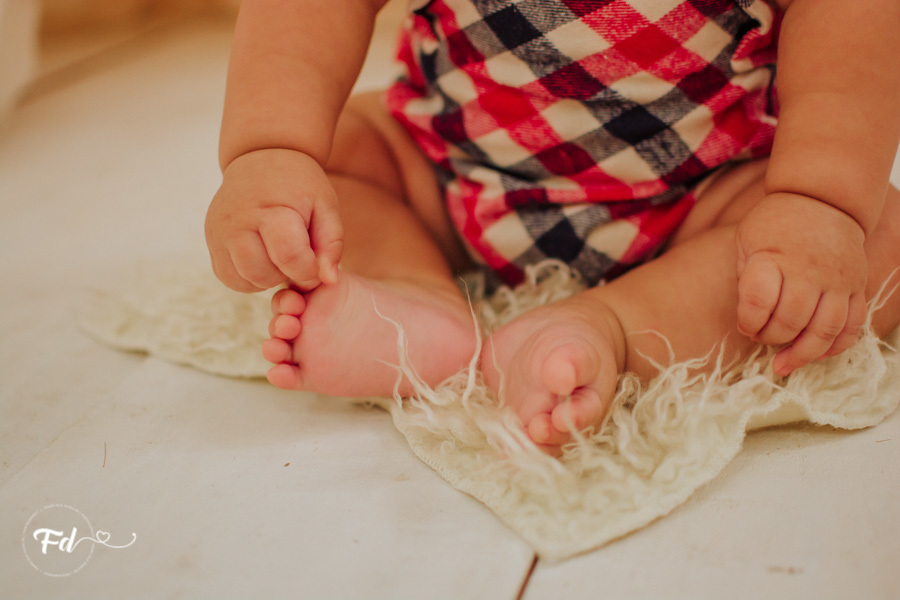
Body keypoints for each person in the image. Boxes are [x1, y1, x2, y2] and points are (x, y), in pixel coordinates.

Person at [205, 0, 900, 451]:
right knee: (345, 151)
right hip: (450, 175)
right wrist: (273, 150)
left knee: (872, 240)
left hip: (705, 197)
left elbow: (849, 21)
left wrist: (819, 200)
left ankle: (619, 327)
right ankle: (413, 297)